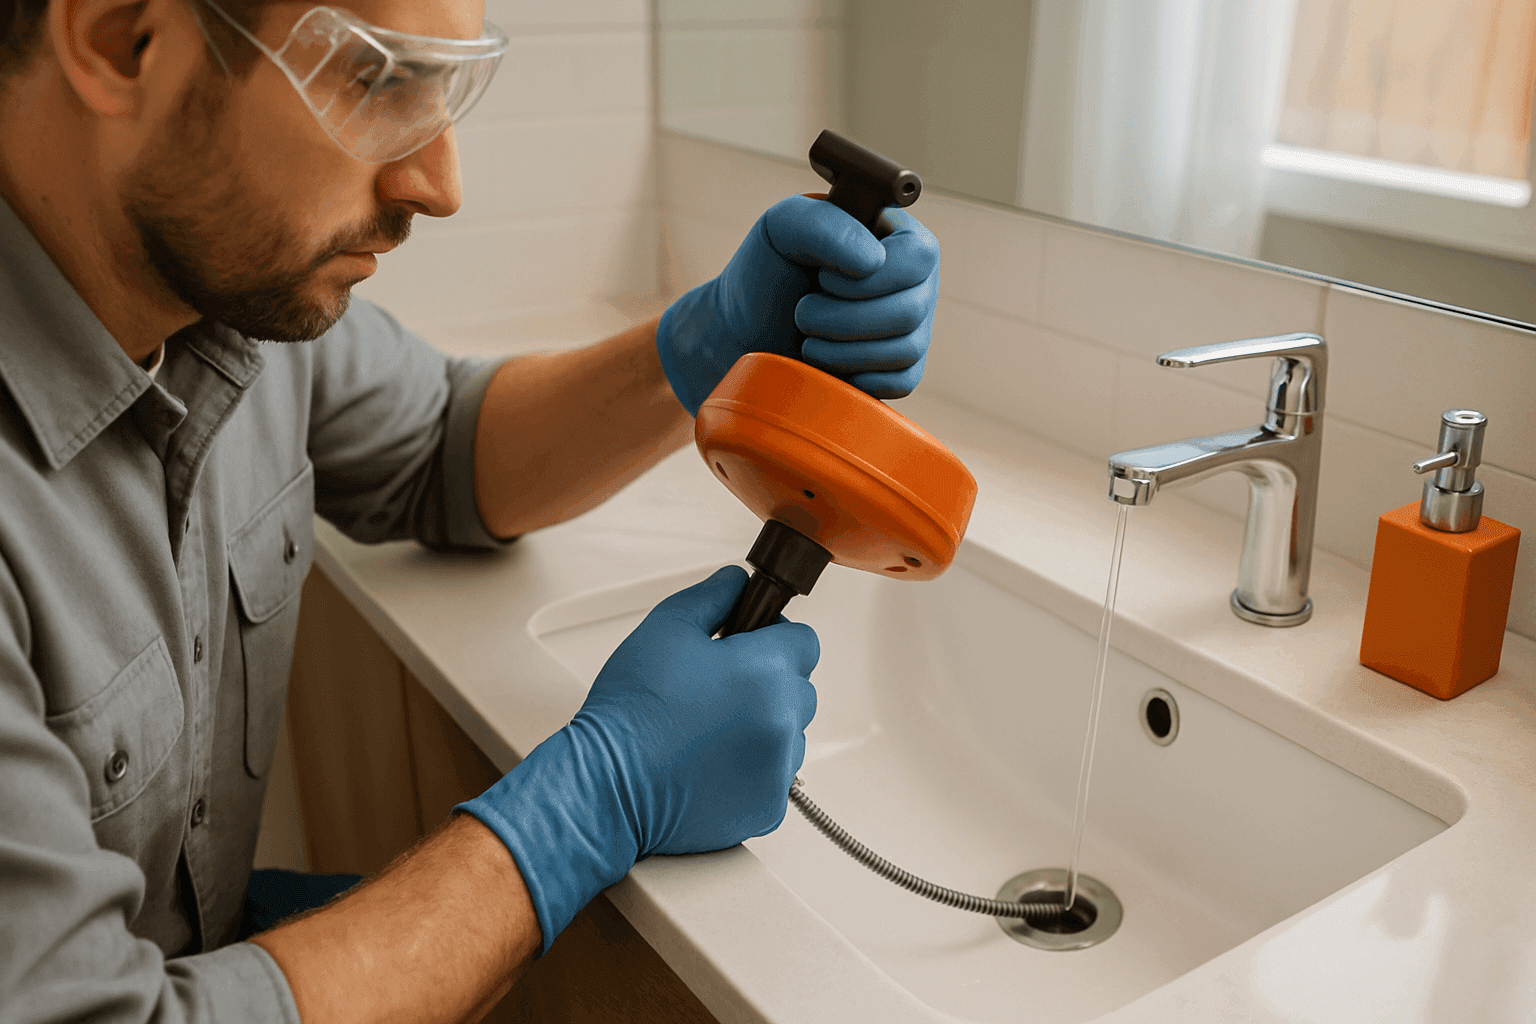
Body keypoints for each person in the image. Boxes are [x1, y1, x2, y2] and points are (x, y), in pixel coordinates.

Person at [0, 0, 940, 1020]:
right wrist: (592, 800)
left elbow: (442, 443)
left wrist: (713, 339)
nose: (440, 186)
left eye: (446, 84)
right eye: (374, 79)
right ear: (115, 39)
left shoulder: (222, 297)